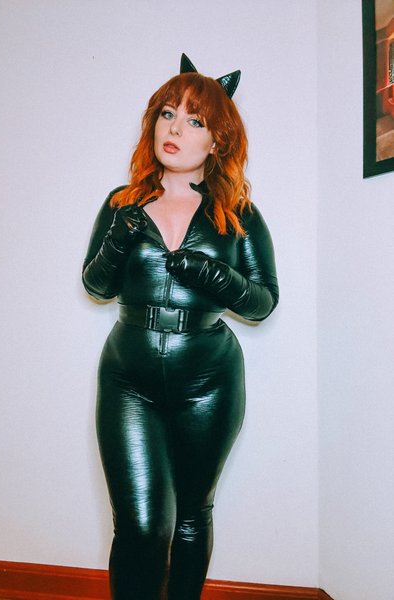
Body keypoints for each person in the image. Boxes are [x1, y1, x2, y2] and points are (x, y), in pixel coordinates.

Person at [82, 53, 279, 600]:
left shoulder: (238, 212)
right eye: (167, 114)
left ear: (217, 141)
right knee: (142, 527)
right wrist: (118, 239)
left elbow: (263, 303)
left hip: (209, 382)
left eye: (195, 120)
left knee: (192, 515)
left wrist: (217, 276)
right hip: (128, 380)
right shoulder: (121, 203)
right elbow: (96, 286)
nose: (175, 128)